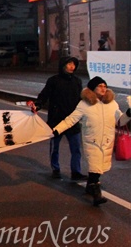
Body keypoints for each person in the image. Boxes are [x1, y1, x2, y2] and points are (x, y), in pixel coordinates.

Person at [53, 77, 131, 206]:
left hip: (107, 141)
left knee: (99, 168)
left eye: (104, 86)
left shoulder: (112, 104)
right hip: (92, 141)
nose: (103, 88)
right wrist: (57, 130)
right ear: (93, 88)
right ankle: (96, 194)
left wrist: (129, 113)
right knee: (95, 168)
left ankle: (90, 186)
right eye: (100, 86)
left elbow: (120, 121)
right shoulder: (84, 104)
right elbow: (71, 119)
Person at [29, 56, 86, 180]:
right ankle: (56, 168)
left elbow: (81, 99)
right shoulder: (53, 81)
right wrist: (37, 105)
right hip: (56, 119)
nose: (72, 67)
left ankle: (76, 172)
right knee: (55, 147)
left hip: (72, 121)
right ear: (63, 65)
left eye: (74, 64)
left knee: (76, 149)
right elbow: (44, 95)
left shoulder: (77, 81)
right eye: (69, 64)